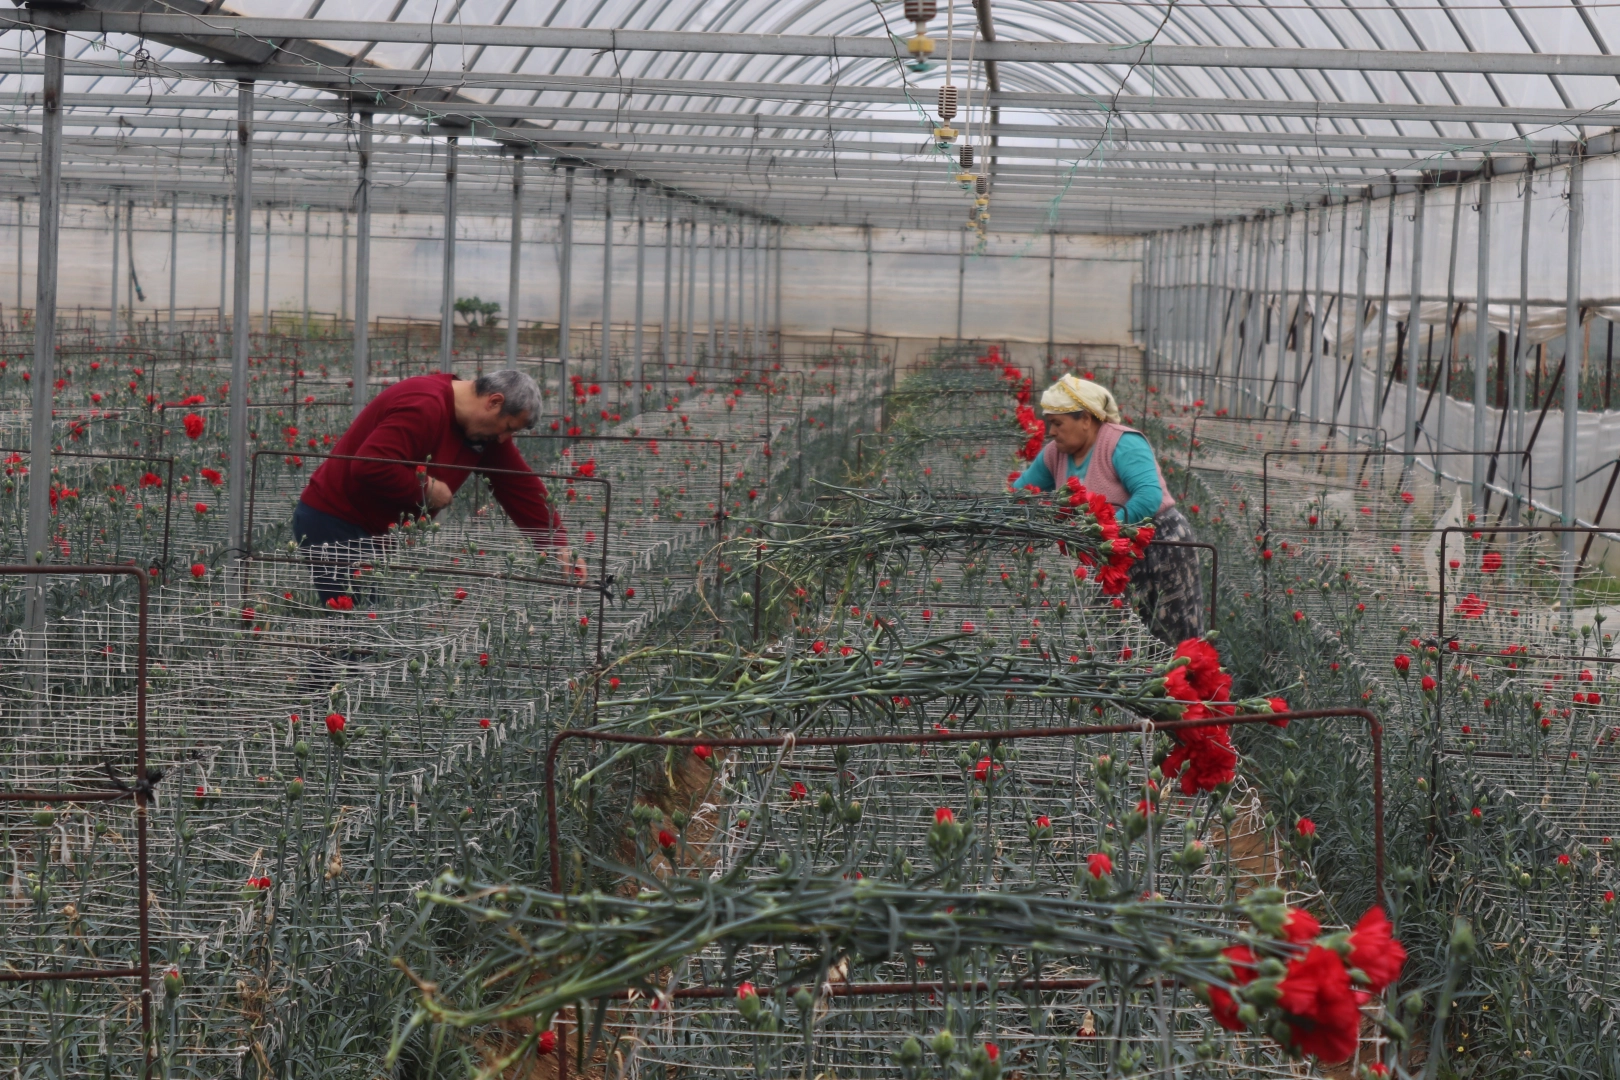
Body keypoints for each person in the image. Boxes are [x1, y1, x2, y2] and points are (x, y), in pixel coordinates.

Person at [293, 369, 568, 605]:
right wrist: (425, 488)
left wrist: (558, 544)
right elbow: (370, 464)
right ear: (494, 402)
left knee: (362, 630)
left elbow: (516, 482)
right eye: (508, 427)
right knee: (356, 632)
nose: (503, 438)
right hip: (335, 521)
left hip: (373, 531)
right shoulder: (424, 404)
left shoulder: (483, 431)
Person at [1013, 374, 1202, 645]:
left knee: (1169, 632)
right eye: (1049, 424)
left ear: (1086, 420)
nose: (1051, 432)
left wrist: (1106, 526)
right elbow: (1021, 494)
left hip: (1159, 542)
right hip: (1109, 551)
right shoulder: (1055, 454)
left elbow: (1149, 496)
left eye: (1057, 424)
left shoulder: (1122, 442)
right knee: (1114, 636)